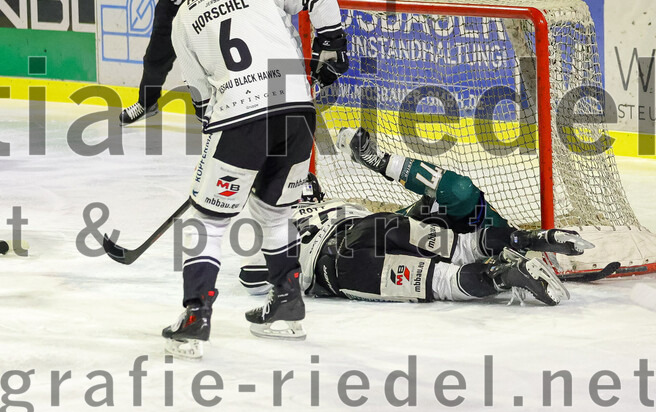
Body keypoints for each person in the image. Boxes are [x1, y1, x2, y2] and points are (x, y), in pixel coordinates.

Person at [159, 0, 349, 359]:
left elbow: (204, 101)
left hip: (238, 116)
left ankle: (195, 317)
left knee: (208, 220)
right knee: (273, 210)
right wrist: (331, 42)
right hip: (294, 106)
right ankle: (286, 306)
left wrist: (222, 156)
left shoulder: (184, 18)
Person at [239, 127, 594, 307]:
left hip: (338, 269)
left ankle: (503, 275)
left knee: (444, 279)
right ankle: (526, 240)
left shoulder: (274, 227)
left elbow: (252, 277)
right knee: (457, 243)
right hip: (377, 227)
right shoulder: (332, 205)